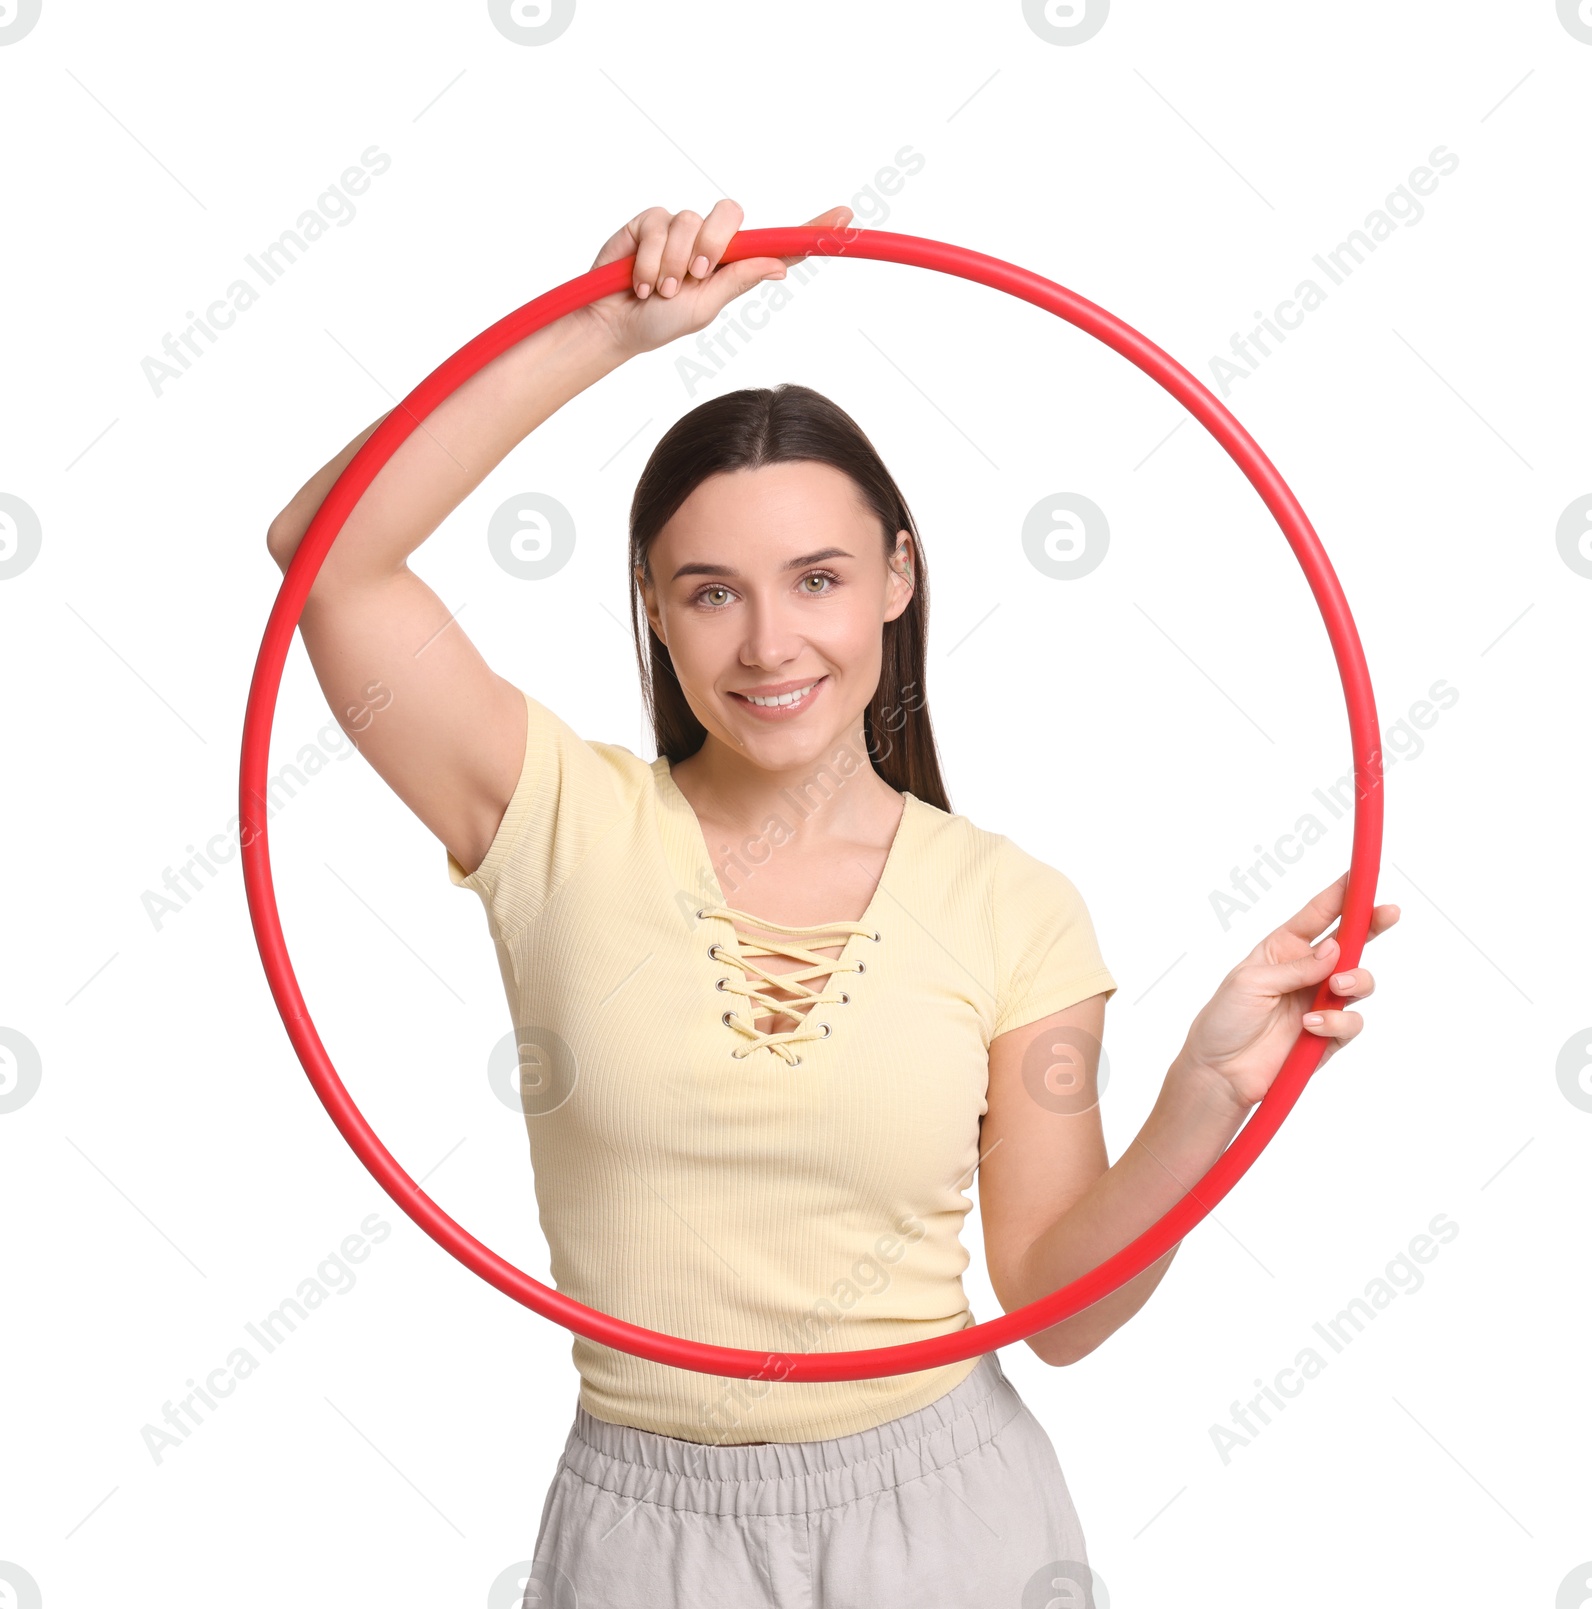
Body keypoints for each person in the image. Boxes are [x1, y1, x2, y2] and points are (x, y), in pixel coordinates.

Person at [265, 200, 1400, 1608]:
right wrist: (611, 328)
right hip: (644, 1539)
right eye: (709, 592)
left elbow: (1062, 1300)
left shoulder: (1010, 904)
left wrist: (1207, 1090)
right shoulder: (550, 816)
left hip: (954, 1526)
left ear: (896, 581)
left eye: (818, 579)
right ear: (654, 609)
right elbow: (326, 553)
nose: (769, 643)